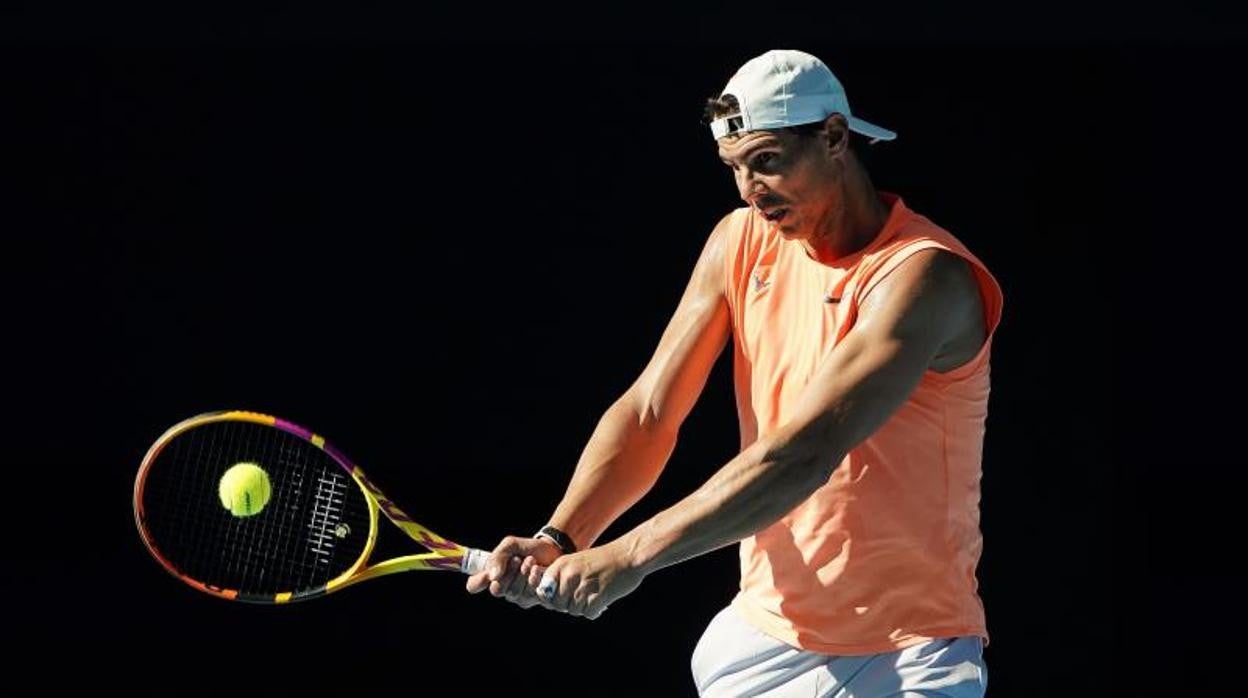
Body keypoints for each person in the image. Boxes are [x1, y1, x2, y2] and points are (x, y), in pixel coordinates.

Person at [465, 48, 1001, 697]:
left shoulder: (925, 276)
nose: (751, 190)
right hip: (764, 635)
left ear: (834, 137)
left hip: (908, 655)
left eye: (768, 161)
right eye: (736, 168)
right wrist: (563, 533)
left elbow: (803, 454)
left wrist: (631, 555)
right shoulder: (739, 240)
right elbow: (650, 413)